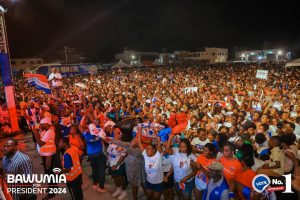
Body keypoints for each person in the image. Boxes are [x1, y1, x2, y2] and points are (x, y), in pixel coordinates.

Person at [165, 133, 197, 200]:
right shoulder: (176, 151)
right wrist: (170, 138)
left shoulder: (192, 157)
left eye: (184, 147)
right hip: (177, 181)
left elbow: (195, 171)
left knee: (186, 197)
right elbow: (167, 151)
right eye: (180, 146)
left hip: (187, 182)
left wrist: (187, 177)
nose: (181, 148)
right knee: (179, 196)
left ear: (188, 147)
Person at [32, 117, 57, 200]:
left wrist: (35, 133)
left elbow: (41, 143)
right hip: (45, 154)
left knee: (49, 172)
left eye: (42, 124)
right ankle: (53, 187)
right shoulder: (44, 131)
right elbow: (39, 139)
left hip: (48, 155)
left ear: (46, 124)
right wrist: (37, 133)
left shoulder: (50, 132)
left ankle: (52, 191)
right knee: (48, 172)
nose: (40, 125)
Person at [79, 123, 107, 193]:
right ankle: (101, 187)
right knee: (101, 170)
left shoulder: (87, 135)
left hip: (91, 154)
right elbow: (98, 126)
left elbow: (80, 127)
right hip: (99, 153)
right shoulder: (99, 132)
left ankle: (95, 183)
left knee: (94, 169)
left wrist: (85, 126)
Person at [138, 126, 164, 200]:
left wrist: (155, 132)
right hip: (149, 182)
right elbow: (139, 142)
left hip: (158, 183)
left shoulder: (158, 155)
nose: (146, 150)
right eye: (146, 149)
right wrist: (139, 129)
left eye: (149, 149)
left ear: (154, 150)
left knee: (156, 198)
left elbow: (158, 142)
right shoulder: (145, 155)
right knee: (148, 197)